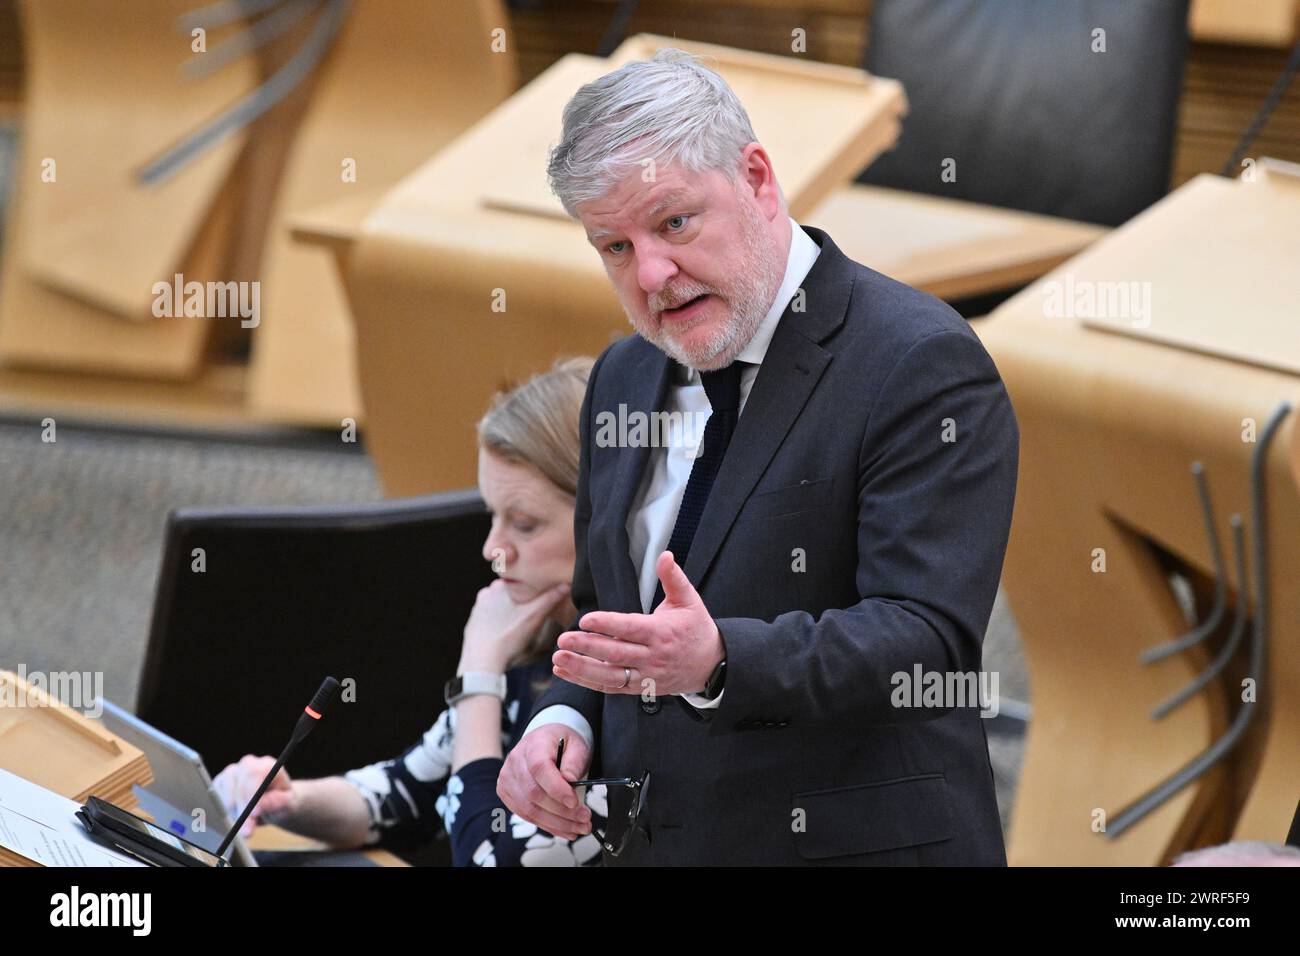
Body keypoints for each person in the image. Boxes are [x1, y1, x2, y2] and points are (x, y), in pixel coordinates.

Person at [497, 49, 1020, 865]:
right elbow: (607, 606)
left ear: (756, 179)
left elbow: (928, 641)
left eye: (673, 223)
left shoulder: (917, 361)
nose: (654, 275)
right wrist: (564, 718)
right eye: (615, 248)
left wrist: (721, 661)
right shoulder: (625, 373)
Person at [213, 357, 607, 866]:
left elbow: (488, 859)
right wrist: (290, 801)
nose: (492, 548)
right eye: (492, 516)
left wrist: (479, 675)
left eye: (525, 524)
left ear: (601, 522)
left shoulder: (622, 692)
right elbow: (408, 792)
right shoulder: (530, 639)